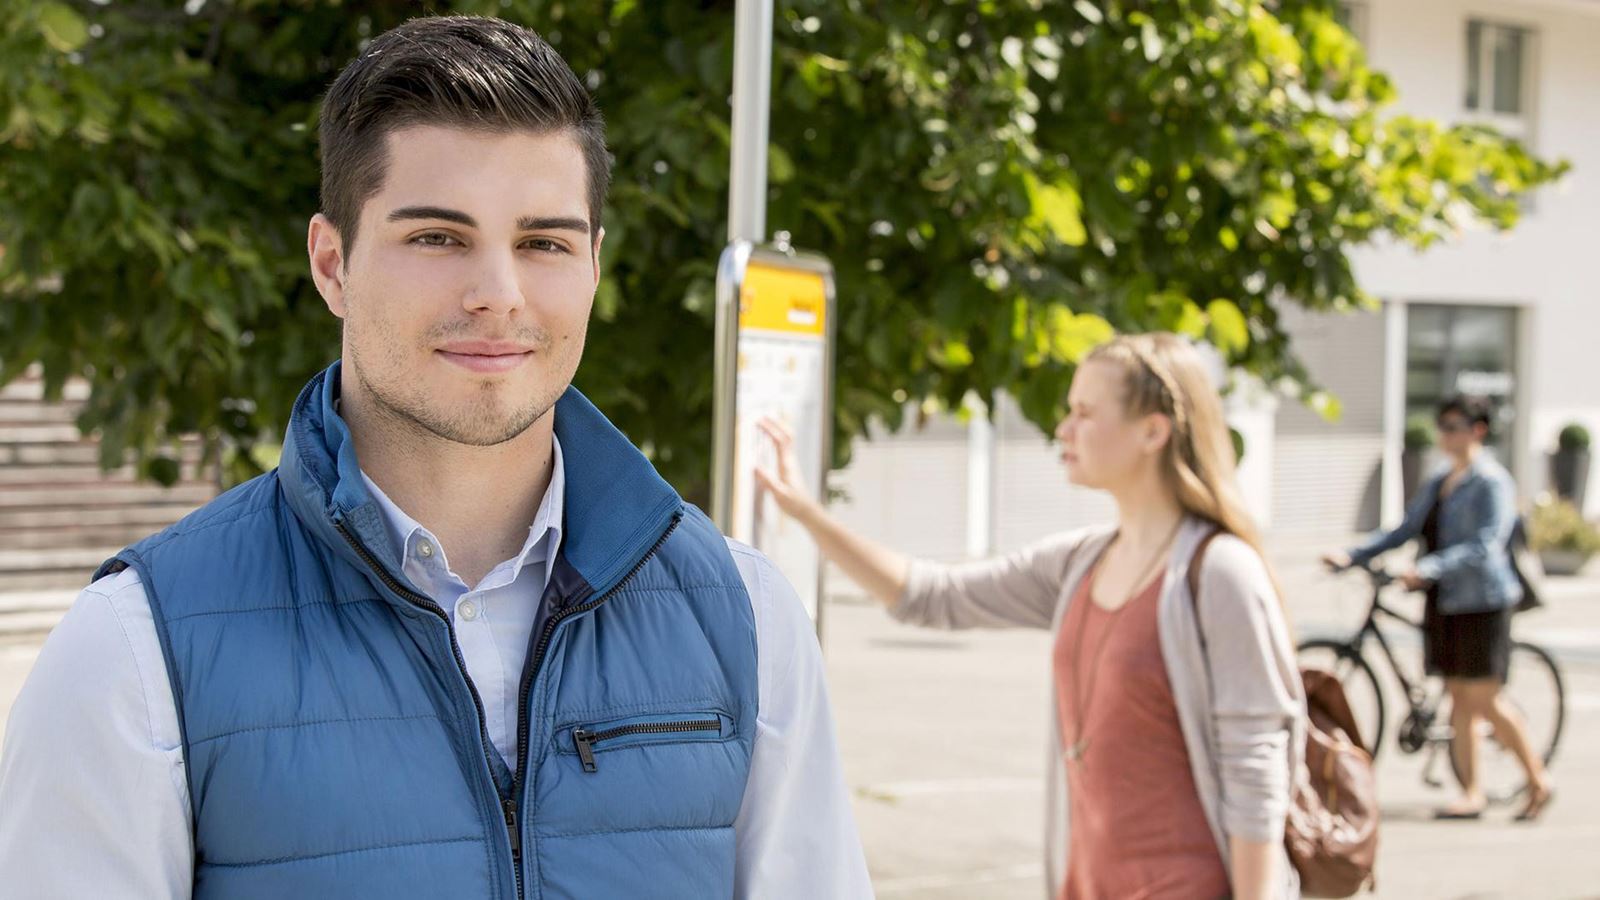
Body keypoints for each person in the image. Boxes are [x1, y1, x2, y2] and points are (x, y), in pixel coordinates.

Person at [0, 17, 870, 899]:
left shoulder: (748, 619)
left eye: (545, 243)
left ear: (595, 265)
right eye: (437, 238)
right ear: (332, 264)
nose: (499, 293)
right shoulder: (136, 649)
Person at [757, 333, 1304, 900]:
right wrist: (805, 513)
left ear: (1153, 431)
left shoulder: (1220, 573)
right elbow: (930, 595)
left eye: (1084, 414)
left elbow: (1256, 775)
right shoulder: (1081, 564)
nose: (1063, 430)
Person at [1323, 394, 1554, 822]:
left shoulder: (1491, 481)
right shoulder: (1441, 478)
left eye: (1454, 425)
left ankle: (1538, 780)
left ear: (1477, 429)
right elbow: (1405, 528)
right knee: (1458, 698)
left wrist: (1426, 568)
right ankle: (1472, 792)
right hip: (1446, 600)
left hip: (1482, 600)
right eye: (1442, 425)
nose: (1445, 434)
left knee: (1483, 699)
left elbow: (1487, 545)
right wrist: (1353, 554)